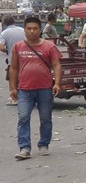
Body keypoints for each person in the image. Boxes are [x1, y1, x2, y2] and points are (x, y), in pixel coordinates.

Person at [9, 16, 63, 160]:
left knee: (45, 118)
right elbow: (13, 68)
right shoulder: (18, 46)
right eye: (29, 29)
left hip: (45, 89)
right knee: (23, 118)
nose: (32, 31)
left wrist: (57, 83)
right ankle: (24, 148)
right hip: (24, 90)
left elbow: (57, 65)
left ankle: (44, 144)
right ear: (25, 30)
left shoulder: (49, 46)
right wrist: (13, 88)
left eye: (35, 29)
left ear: (40, 30)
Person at [1, 15, 27, 105]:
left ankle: (15, 98)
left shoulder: (4, 33)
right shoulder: (23, 30)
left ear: (4, 23)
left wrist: (8, 50)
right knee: (24, 77)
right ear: (14, 21)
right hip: (25, 58)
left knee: (12, 78)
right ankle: (26, 97)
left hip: (12, 59)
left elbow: (1, 47)